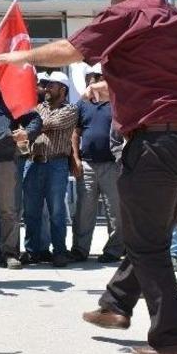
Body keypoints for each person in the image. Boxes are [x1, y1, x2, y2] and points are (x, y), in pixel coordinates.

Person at [0, 0, 177, 354]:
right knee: (147, 232)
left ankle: (173, 340)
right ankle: (115, 305)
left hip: (159, 146)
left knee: (147, 243)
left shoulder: (130, 11)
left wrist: (19, 57)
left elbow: (72, 48)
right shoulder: (176, 18)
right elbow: (155, 75)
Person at [0, 62, 41, 269]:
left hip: (4, 162)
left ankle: (10, 253)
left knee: (8, 211)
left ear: (0, 74)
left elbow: (35, 120)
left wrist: (26, 133)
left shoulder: (10, 97)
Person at [24, 71, 79, 267]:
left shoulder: (71, 109)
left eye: (51, 85)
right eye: (46, 85)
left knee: (56, 211)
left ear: (62, 89)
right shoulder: (38, 106)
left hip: (57, 164)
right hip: (34, 162)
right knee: (31, 210)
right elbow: (32, 123)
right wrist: (33, 125)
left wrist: (34, 125)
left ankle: (59, 251)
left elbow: (45, 123)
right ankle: (33, 251)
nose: (46, 88)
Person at [71, 66, 124, 264]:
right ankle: (80, 249)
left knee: (115, 210)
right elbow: (75, 133)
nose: (91, 81)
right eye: (89, 78)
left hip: (113, 165)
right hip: (87, 165)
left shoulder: (117, 103)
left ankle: (114, 249)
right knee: (84, 210)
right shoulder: (82, 105)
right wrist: (75, 158)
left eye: (94, 77)